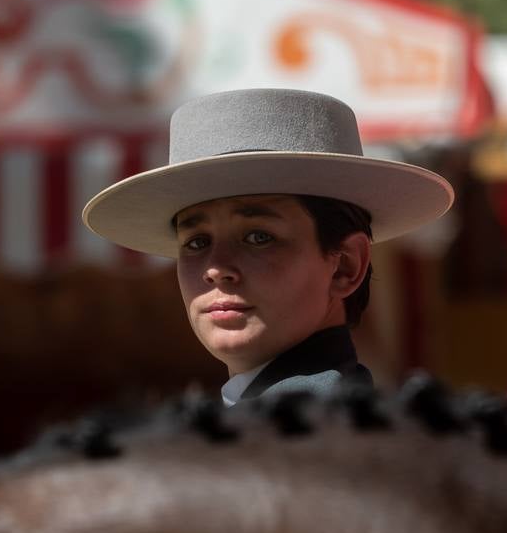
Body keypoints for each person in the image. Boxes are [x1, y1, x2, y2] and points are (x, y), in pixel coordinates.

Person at [83, 88, 453, 405]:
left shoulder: (303, 438)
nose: (216, 267)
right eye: (196, 242)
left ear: (346, 266)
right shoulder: (299, 424)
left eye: (259, 237)